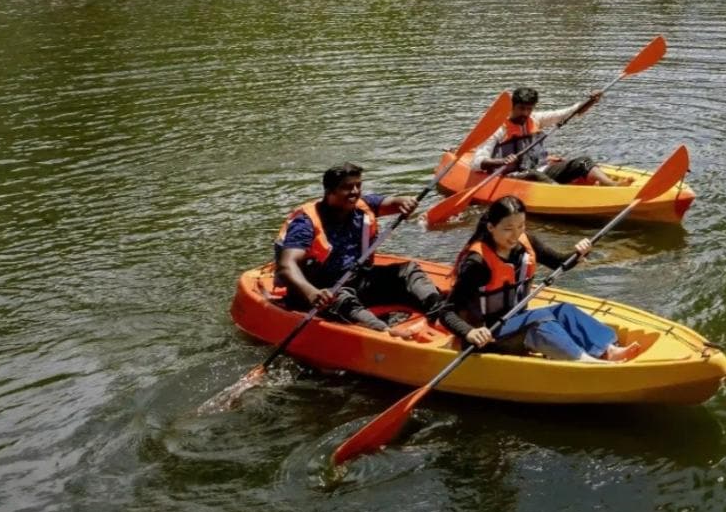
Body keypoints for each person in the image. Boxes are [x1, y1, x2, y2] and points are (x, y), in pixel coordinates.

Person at [440, 196, 642, 362]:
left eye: (521, 226)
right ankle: (586, 362)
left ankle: (607, 350)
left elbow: (559, 262)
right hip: (487, 335)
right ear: (491, 227)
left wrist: (580, 253)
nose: (515, 235)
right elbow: (447, 312)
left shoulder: (525, 243)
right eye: (508, 229)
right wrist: (469, 333)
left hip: (514, 322)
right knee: (541, 321)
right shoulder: (477, 263)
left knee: (564, 310)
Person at [274, 163, 443, 335]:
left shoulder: (363, 206)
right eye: (347, 187)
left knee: (408, 270)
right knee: (340, 298)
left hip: (357, 279)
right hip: (322, 290)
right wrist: (311, 292)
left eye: (358, 185)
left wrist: (405, 202)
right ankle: (385, 331)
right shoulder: (305, 223)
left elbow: (392, 203)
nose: (355, 191)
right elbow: (287, 265)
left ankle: (439, 310)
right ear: (329, 191)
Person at [471, 86, 630, 186]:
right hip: (512, 176)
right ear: (512, 106)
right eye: (521, 108)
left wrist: (590, 101)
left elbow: (568, 113)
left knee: (583, 161)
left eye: (529, 109)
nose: (525, 113)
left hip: (540, 168)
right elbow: (477, 162)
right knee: (535, 174)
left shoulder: (535, 119)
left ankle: (611, 185)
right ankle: (562, 194)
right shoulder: (498, 129)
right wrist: (501, 161)